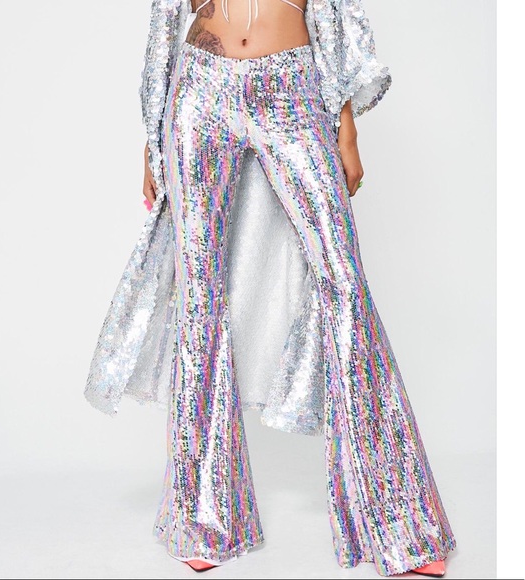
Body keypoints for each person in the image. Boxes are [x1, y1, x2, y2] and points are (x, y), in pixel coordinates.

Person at [84, 0, 457, 577]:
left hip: (292, 85)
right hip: (199, 92)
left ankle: (401, 520)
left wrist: (346, 123)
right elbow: (164, 20)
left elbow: (333, 12)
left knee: (342, 282)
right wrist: (154, 135)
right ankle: (204, 515)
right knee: (201, 295)